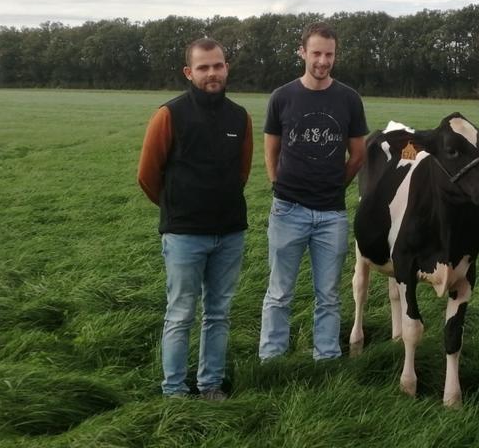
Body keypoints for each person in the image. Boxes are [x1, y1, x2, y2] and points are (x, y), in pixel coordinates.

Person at [138, 37, 253, 400]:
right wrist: (178, 209)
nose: (212, 73)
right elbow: (147, 175)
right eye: (203, 67)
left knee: (218, 314)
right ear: (189, 72)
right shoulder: (169, 115)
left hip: (229, 233)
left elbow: (242, 172)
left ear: (226, 68)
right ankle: (173, 390)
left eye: (218, 65)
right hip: (184, 235)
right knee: (181, 314)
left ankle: (210, 386)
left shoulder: (240, 117)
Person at [259, 21, 368, 362]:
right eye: (316, 53)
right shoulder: (283, 97)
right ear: (302, 52)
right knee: (279, 292)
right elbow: (271, 148)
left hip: (330, 215)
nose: (322, 61)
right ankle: (272, 358)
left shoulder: (349, 99)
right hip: (287, 210)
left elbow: (359, 153)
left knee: (329, 294)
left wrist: (338, 184)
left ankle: (326, 357)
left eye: (329, 54)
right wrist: (278, 183)